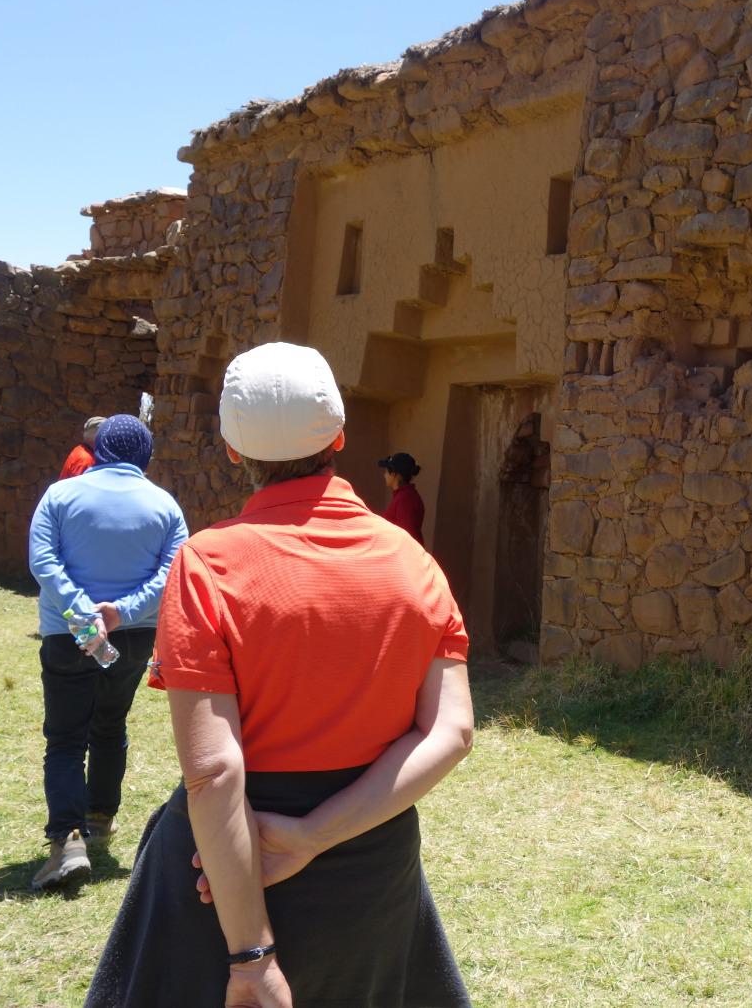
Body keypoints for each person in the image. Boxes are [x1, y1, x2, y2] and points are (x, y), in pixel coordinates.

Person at [86, 342, 474, 1008]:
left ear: (233, 451)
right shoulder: (415, 564)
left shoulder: (208, 564)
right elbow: (452, 732)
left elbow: (215, 772)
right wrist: (313, 834)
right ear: (339, 437)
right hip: (370, 863)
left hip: (222, 871)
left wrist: (252, 956)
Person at [28, 414, 188, 891]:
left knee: (65, 737)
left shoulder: (60, 495)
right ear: (145, 456)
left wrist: (82, 612)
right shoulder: (165, 506)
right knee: (110, 724)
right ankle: (99, 819)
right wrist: (121, 612)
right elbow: (173, 572)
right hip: (133, 635)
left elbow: (43, 561)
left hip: (68, 633)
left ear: (98, 451)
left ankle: (67, 841)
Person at [379, 451, 427, 544]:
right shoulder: (403, 496)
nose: (384, 475)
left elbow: (407, 536)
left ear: (394, 474)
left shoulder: (406, 499)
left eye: (386, 472)